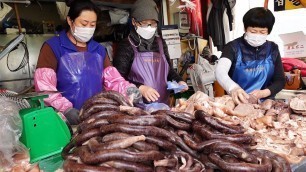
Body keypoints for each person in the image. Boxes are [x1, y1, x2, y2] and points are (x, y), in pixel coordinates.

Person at [34, 0, 111, 125]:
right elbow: (44, 87)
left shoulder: (99, 50)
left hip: (95, 118)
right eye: (84, 23)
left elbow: (113, 80)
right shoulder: (53, 47)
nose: (88, 28)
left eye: (92, 25)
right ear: (70, 21)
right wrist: (66, 109)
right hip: (62, 120)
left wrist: (129, 90)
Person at [113, 0, 188, 105]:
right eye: (144, 23)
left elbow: (169, 70)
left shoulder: (160, 43)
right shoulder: (126, 45)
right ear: (134, 22)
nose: (149, 27)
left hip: (162, 105)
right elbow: (117, 80)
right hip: (136, 108)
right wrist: (140, 88)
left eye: (153, 23)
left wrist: (179, 81)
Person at [215, 7, 285, 104]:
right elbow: (220, 71)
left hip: (266, 103)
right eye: (253, 31)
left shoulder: (272, 48)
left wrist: (263, 93)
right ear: (245, 28)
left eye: (262, 32)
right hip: (237, 102)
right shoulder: (232, 47)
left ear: (268, 31)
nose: (257, 35)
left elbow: (280, 80)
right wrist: (234, 88)